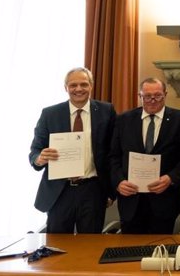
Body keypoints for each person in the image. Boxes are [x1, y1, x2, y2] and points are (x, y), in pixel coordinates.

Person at [29, 67, 116, 233]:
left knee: (89, 246)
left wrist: (111, 191)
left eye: (83, 84)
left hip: (93, 190)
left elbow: (113, 153)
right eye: (73, 85)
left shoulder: (107, 111)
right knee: (57, 247)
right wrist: (39, 158)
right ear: (65, 87)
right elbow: (35, 150)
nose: (78, 89)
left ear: (91, 86)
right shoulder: (50, 114)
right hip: (59, 191)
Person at [109, 77, 180, 234]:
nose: (152, 100)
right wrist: (119, 182)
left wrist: (170, 178)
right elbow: (113, 157)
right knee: (129, 252)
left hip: (165, 199)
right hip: (131, 199)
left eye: (157, 95)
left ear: (165, 94)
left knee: (160, 251)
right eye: (147, 96)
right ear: (140, 96)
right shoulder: (124, 120)